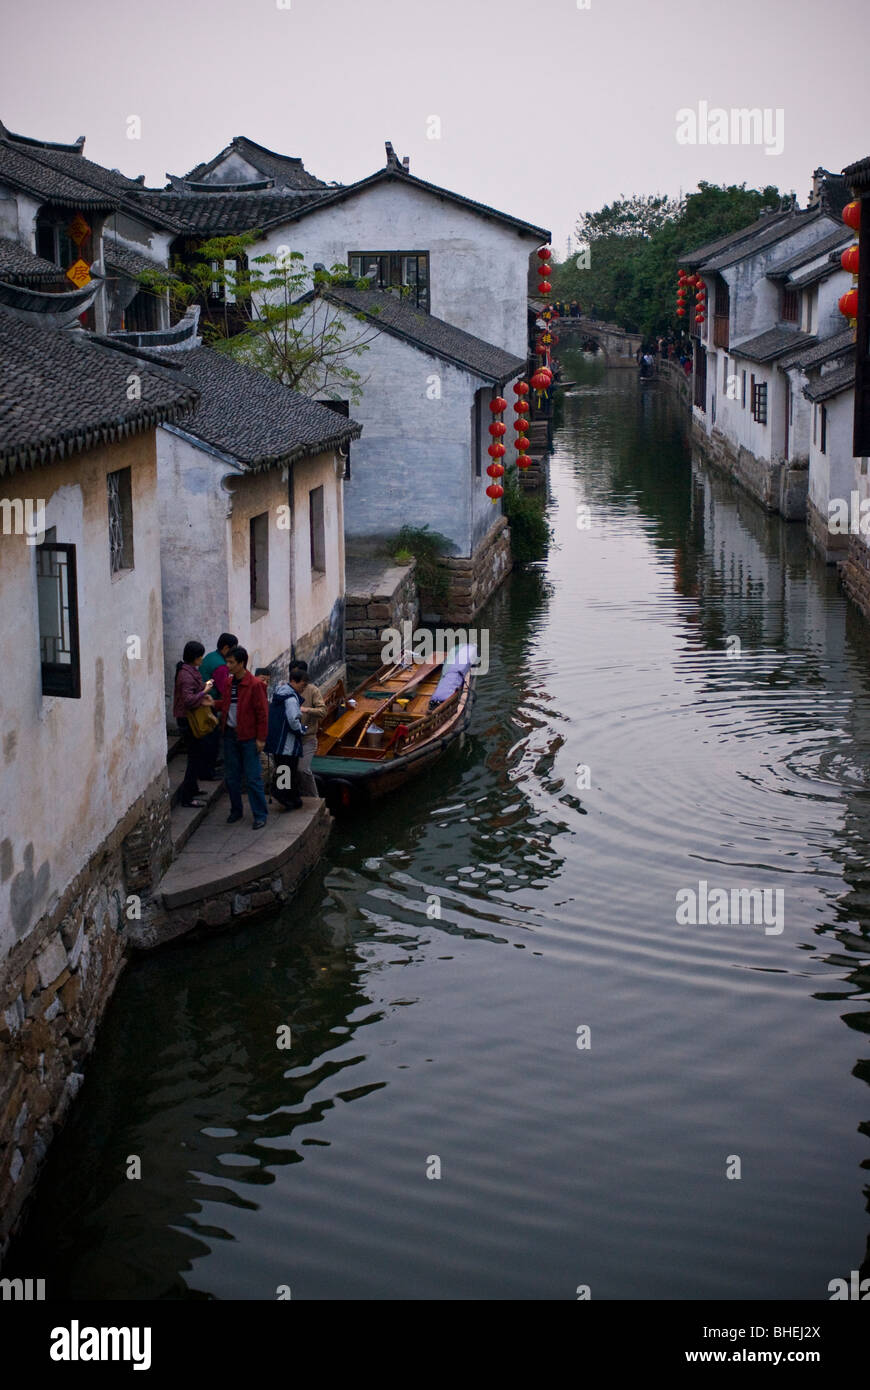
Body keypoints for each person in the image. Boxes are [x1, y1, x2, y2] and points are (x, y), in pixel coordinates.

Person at [219, 645, 269, 829]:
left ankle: (260, 814)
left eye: (231, 662)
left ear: (241, 663)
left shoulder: (255, 685)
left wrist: (261, 739)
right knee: (232, 777)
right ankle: (236, 810)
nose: (228, 665)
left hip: (248, 737)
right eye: (227, 661)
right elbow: (227, 705)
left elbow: (262, 713)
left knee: (253, 777)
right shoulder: (228, 683)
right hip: (230, 736)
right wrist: (213, 703)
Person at [172, 640, 216, 808]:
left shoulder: (189, 672)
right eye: (200, 657)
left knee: (197, 755)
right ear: (194, 658)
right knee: (194, 757)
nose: (202, 660)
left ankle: (193, 788)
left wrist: (204, 687)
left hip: (190, 717)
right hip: (188, 719)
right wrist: (205, 690)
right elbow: (189, 700)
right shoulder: (185, 675)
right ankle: (187, 797)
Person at [199, 632, 237, 778]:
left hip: (203, 700)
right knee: (212, 739)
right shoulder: (221, 666)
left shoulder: (210, 656)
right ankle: (208, 770)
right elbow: (224, 690)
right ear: (226, 648)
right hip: (208, 703)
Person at [269, 668, 308, 810]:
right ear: (294, 681)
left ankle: (289, 796)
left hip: (278, 740)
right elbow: (293, 720)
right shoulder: (291, 699)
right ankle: (283, 795)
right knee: (287, 768)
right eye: (302, 685)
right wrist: (301, 729)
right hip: (287, 742)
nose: (303, 689)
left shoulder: (280, 693)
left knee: (283, 767)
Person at [293, 662, 327, 798]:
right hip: (289, 739)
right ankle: (286, 795)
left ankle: (314, 799)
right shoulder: (285, 690)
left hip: (307, 738)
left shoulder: (312, 690)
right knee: (284, 768)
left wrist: (306, 710)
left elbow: (323, 711)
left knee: (302, 769)